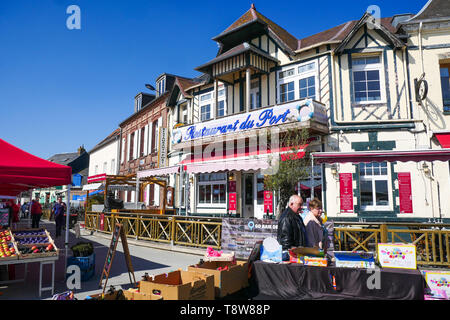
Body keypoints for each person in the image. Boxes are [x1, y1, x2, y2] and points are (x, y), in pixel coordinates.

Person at [277, 195, 308, 261]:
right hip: (291, 256)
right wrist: (292, 251)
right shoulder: (287, 217)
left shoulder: (297, 216)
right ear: (291, 204)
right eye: (299, 205)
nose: (301, 207)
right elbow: (285, 241)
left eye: (302, 205)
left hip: (298, 254)